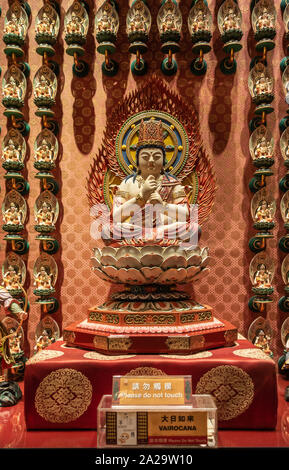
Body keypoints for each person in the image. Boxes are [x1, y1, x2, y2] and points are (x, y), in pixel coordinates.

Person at [102, 118, 198, 246]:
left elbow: (185, 215)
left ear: (164, 161)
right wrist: (141, 197)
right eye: (145, 157)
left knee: (194, 230)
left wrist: (162, 205)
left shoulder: (172, 182)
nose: (151, 161)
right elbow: (116, 216)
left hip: (164, 229)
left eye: (157, 157)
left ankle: (147, 240)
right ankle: (157, 241)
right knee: (106, 231)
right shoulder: (129, 182)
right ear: (137, 162)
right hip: (137, 229)